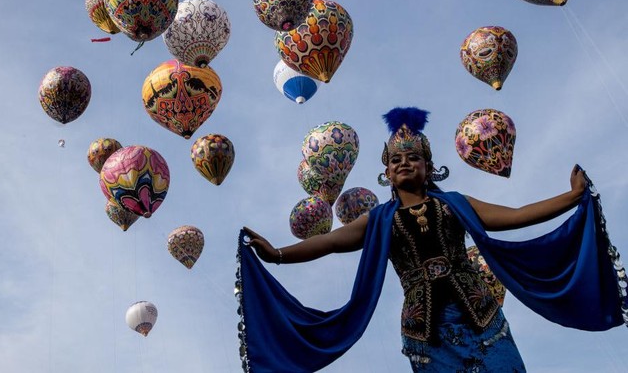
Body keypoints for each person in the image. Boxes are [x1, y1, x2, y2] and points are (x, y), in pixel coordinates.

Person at [237, 107, 625, 373]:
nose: (404, 162)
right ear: (386, 173)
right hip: (425, 330)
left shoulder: (455, 204)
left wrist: (572, 198)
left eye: (413, 158)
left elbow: (516, 216)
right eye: (395, 160)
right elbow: (332, 241)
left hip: (482, 317)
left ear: (429, 167)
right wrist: (278, 255)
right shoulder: (379, 219)